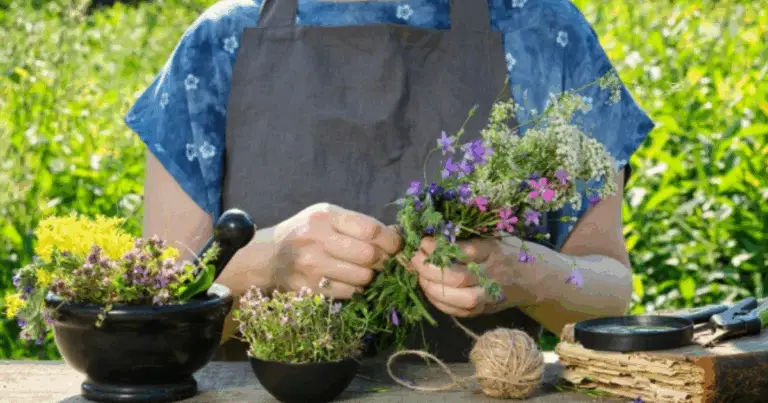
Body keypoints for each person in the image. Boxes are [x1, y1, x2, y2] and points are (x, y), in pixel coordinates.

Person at [128, 0, 654, 361]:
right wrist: (269, 263)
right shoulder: (220, 43)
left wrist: (525, 272)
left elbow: (609, 293)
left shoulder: (544, 32)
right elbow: (149, 316)